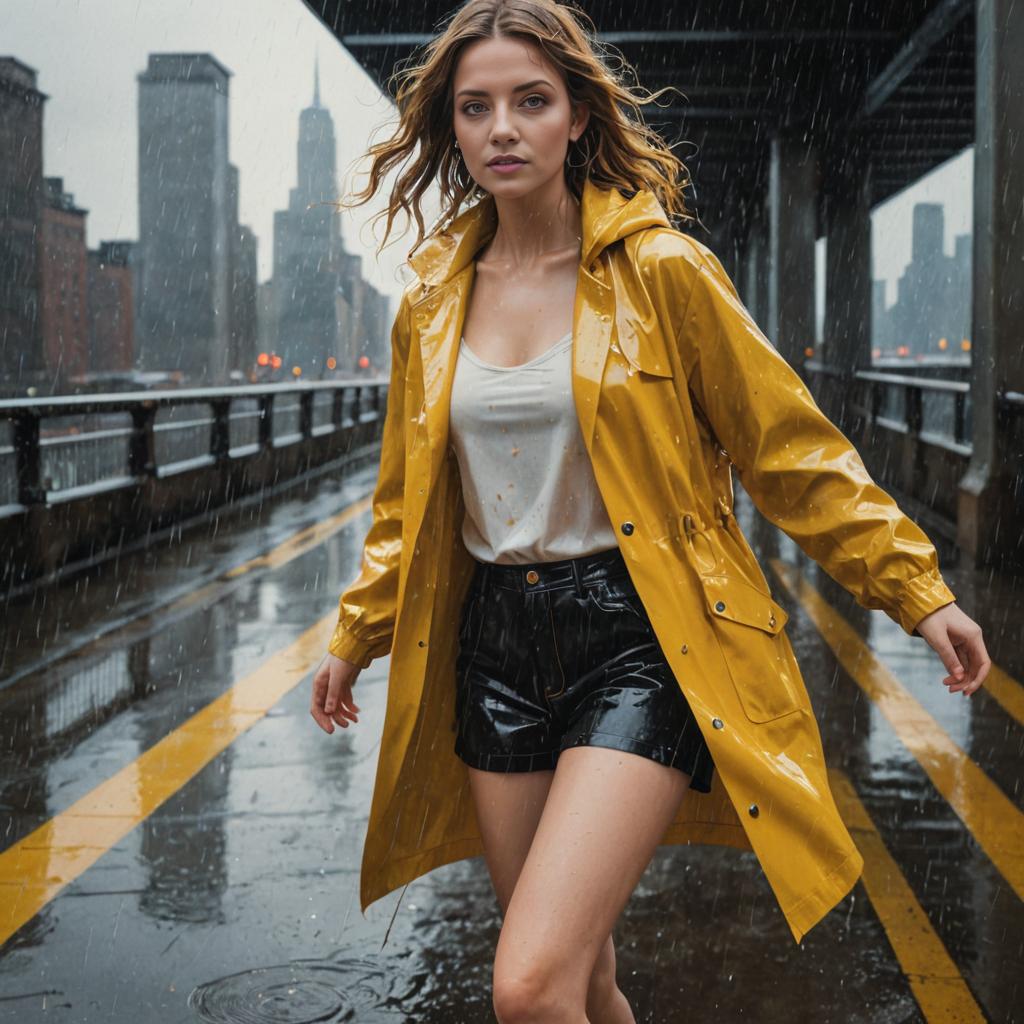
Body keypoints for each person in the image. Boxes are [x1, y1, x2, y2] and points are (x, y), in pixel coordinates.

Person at [310, 1, 991, 1020]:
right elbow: (408, 501)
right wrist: (356, 632)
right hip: (493, 648)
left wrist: (914, 587)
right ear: (448, 129)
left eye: (530, 101)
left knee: (527, 986)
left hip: (640, 637)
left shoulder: (662, 272)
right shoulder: (432, 303)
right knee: (582, 977)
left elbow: (786, 447)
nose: (502, 127)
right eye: (475, 106)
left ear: (577, 117)